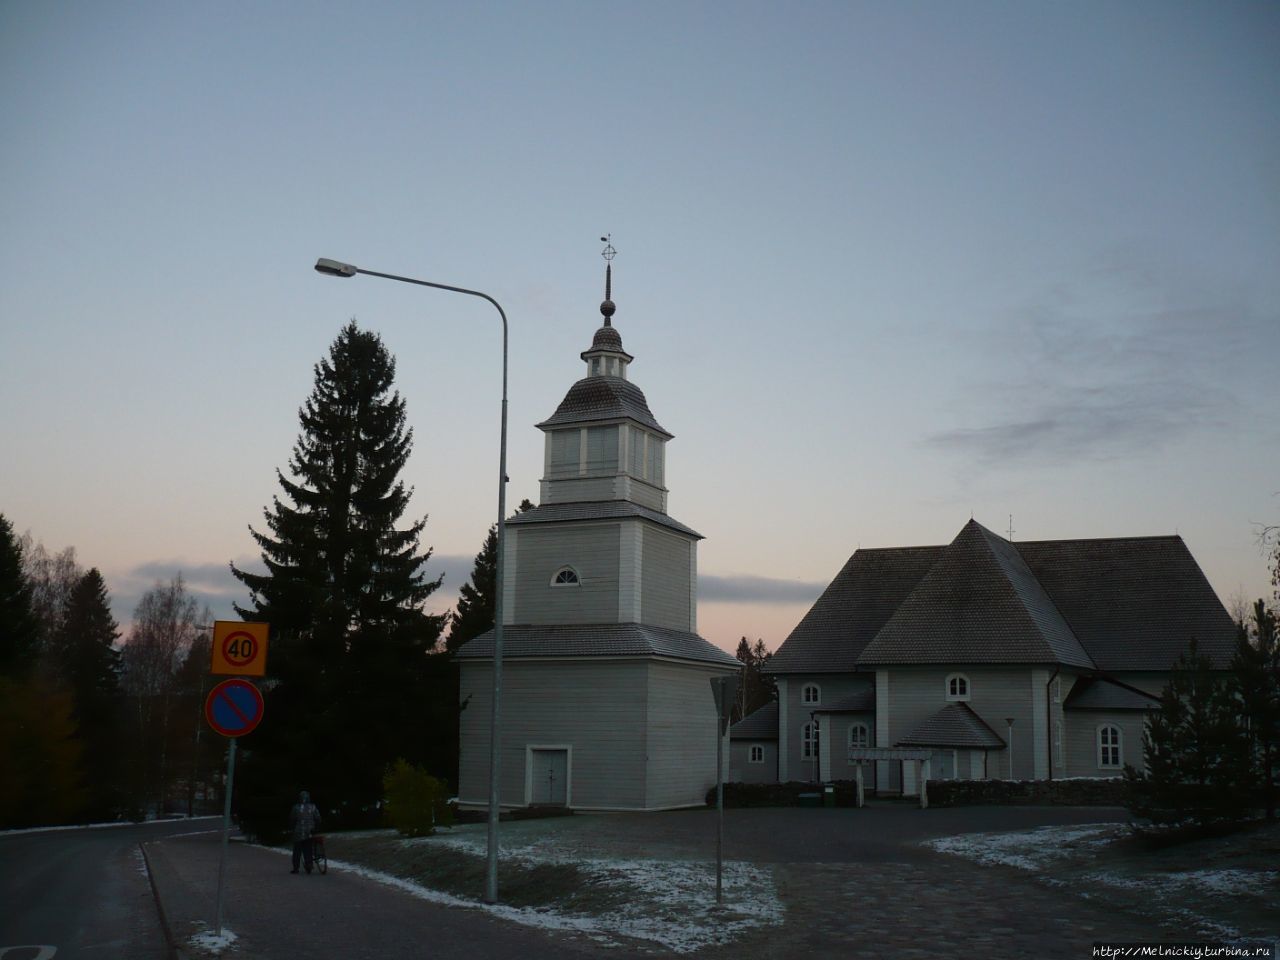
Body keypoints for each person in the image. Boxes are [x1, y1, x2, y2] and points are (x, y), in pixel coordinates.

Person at [288, 790, 321, 874]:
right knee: (308, 848)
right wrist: (316, 827)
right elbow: (318, 818)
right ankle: (309, 865)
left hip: (298, 832)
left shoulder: (296, 807)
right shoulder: (313, 807)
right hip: (310, 831)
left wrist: (292, 828)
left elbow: (292, 819)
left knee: (297, 850)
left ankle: (296, 868)